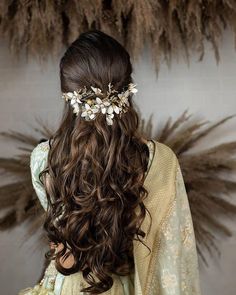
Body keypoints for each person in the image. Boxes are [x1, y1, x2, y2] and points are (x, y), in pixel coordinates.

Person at [18, 30, 201, 295]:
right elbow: (174, 253)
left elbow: (64, 245)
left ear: (67, 94)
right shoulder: (158, 160)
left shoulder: (44, 159)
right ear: (127, 89)